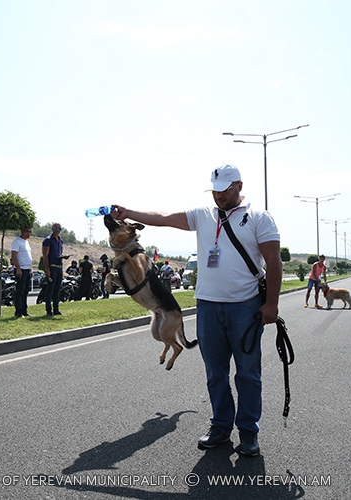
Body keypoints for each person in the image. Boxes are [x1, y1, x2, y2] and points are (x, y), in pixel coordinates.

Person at [111, 163, 282, 457]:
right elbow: (164, 217)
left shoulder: (258, 217)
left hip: (245, 307)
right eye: (214, 191)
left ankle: (248, 432)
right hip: (208, 306)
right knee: (215, 373)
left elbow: (274, 260)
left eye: (224, 190)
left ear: (239, 186)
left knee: (247, 373)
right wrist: (129, 213)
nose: (219, 196)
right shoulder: (204, 215)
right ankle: (221, 427)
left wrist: (272, 304)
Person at [42, 223, 70, 316]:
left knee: (57, 289)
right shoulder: (48, 240)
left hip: (59, 267)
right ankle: (48, 310)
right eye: (56, 228)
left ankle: (56, 309)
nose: (57, 229)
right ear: (52, 228)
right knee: (50, 289)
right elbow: (45, 256)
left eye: (59, 228)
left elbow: (59, 253)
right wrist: (47, 269)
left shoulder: (60, 241)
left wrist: (63, 256)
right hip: (52, 266)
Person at [10, 227, 33, 317]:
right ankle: (18, 311)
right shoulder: (17, 241)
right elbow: (14, 256)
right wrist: (18, 268)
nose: (28, 233)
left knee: (26, 291)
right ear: (22, 231)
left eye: (30, 232)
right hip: (21, 269)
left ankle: (24, 310)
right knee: (20, 291)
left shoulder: (26, 242)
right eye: (27, 231)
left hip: (27, 269)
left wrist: (30, 269)